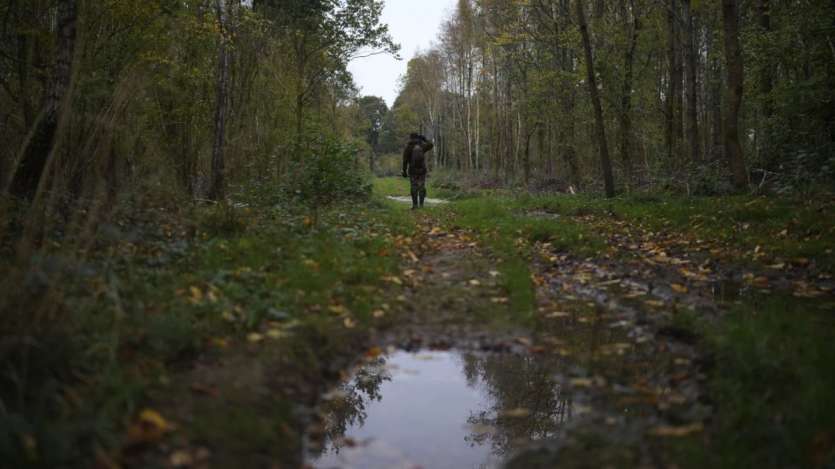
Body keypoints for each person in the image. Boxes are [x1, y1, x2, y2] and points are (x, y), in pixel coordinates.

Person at [402, 133, 434, 209]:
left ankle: (415, 205)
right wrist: (424, 138)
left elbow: (405, 160)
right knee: (421, 186)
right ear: (417, 138)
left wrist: (404, 171)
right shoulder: (422, 146)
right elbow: (431, 144)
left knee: (414, 186)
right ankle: (422, 205)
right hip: (422, 170)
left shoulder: (408, 147)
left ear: (410, 138)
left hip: (412, 170)